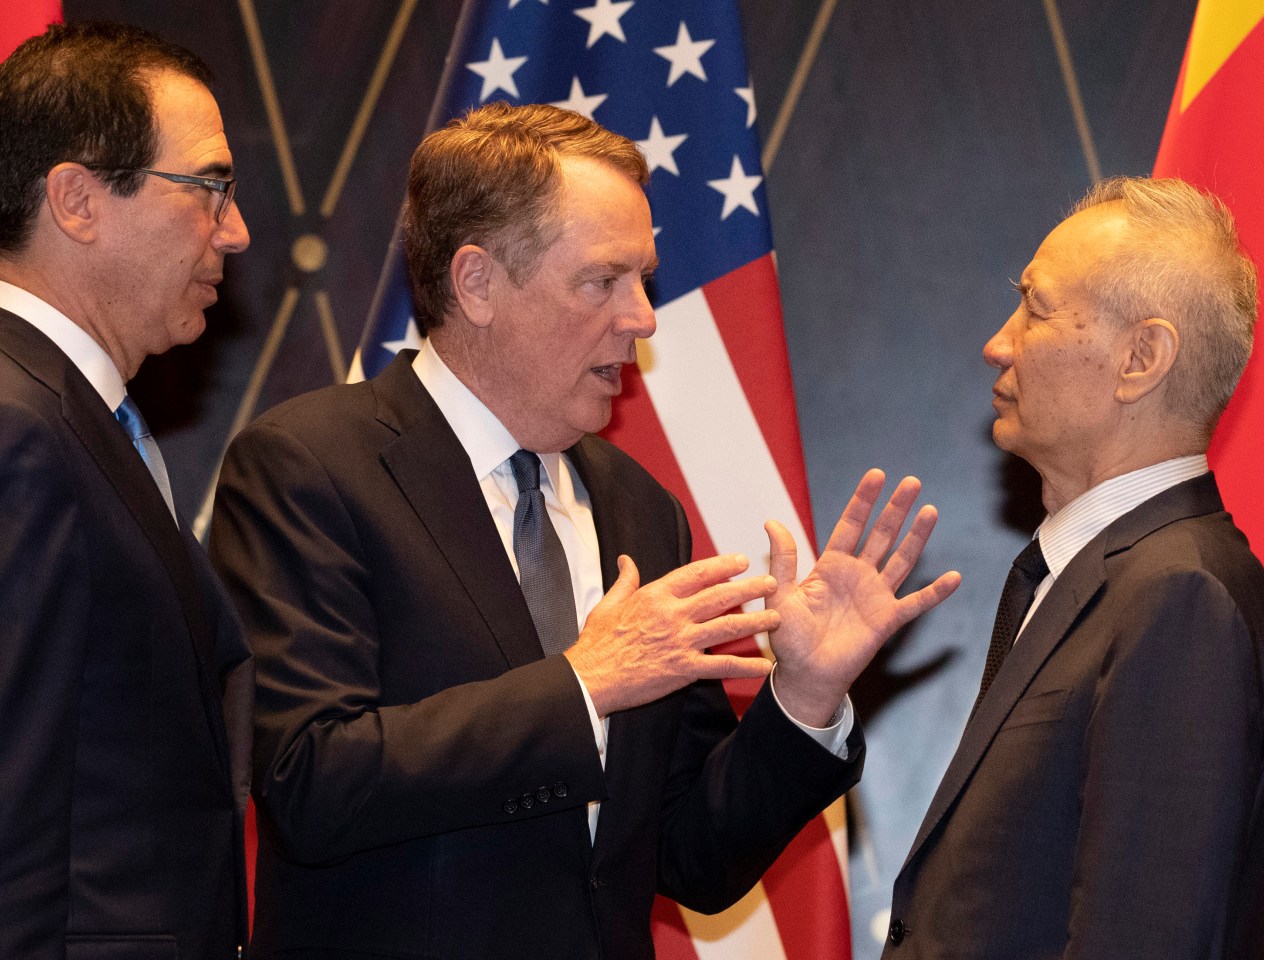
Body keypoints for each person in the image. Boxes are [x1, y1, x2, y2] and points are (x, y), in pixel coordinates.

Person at [209, 101, 960, 960]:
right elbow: (312, 781)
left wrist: (805, 699)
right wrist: (581, 686)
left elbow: (693, 856)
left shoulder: (639, 508)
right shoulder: (310, 466)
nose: (643, 318)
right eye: (603, 282)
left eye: (644, 279)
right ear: (478, 283)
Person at [885, 177, 1264, 959]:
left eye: (1035, 309)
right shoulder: (1110, 576)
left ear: (1141, 358)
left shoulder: (1180, 596)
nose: (998, 343)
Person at [0, 21, 253, 959]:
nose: (237, 231)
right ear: (78, 199)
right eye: (210, 188)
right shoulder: (9, 428)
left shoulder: (54, 412)